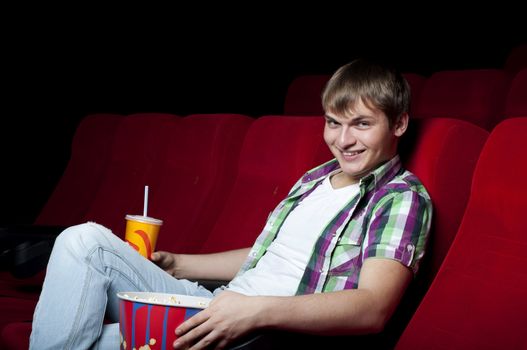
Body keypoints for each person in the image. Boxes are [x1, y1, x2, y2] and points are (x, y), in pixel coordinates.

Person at [30, 58, 432, 349]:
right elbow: (267, 256)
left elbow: (372, 308)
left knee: (90, 337)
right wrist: (181, 263)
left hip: (262, 332)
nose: (343, 140)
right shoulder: (315, 179)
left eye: (362, 124)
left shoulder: (400, 198)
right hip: (219, 305)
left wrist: (254, 312)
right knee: (84, 242)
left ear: (398, 123)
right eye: (333, 122)